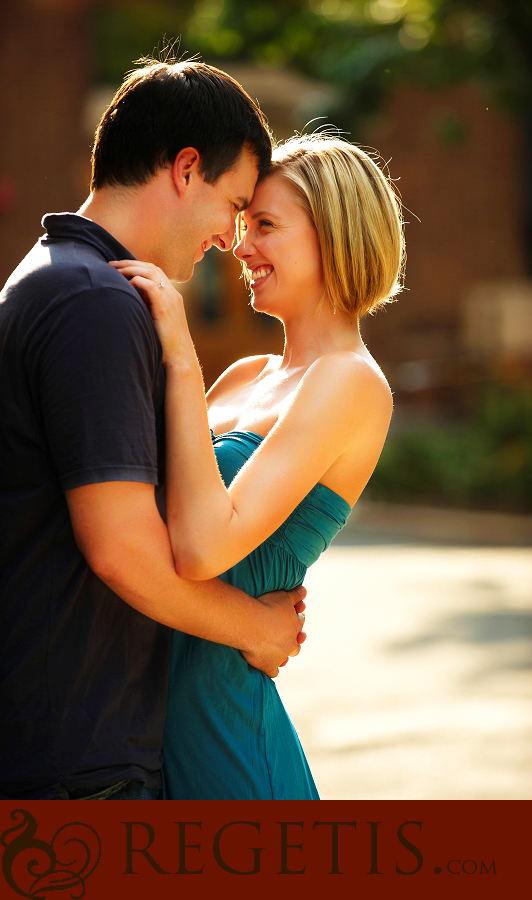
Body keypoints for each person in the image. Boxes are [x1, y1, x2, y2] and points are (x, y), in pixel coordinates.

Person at [0, 60, 307, 802]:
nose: (233, 238)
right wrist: (256, 630)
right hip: (77, 767)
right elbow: (121, 549)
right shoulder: (93, 302)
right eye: (235, 204)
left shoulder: (55, 278)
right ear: (186, 167)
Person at [110, 134, 405, 799]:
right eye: (243, 225)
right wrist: (262, 626)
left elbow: (202, 545)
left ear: (334, 235)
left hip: (225, 738)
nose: (240, 248)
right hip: (140, 728)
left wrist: (181, 358)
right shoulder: (246, 376)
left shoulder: (350, 382)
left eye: (265, 226)